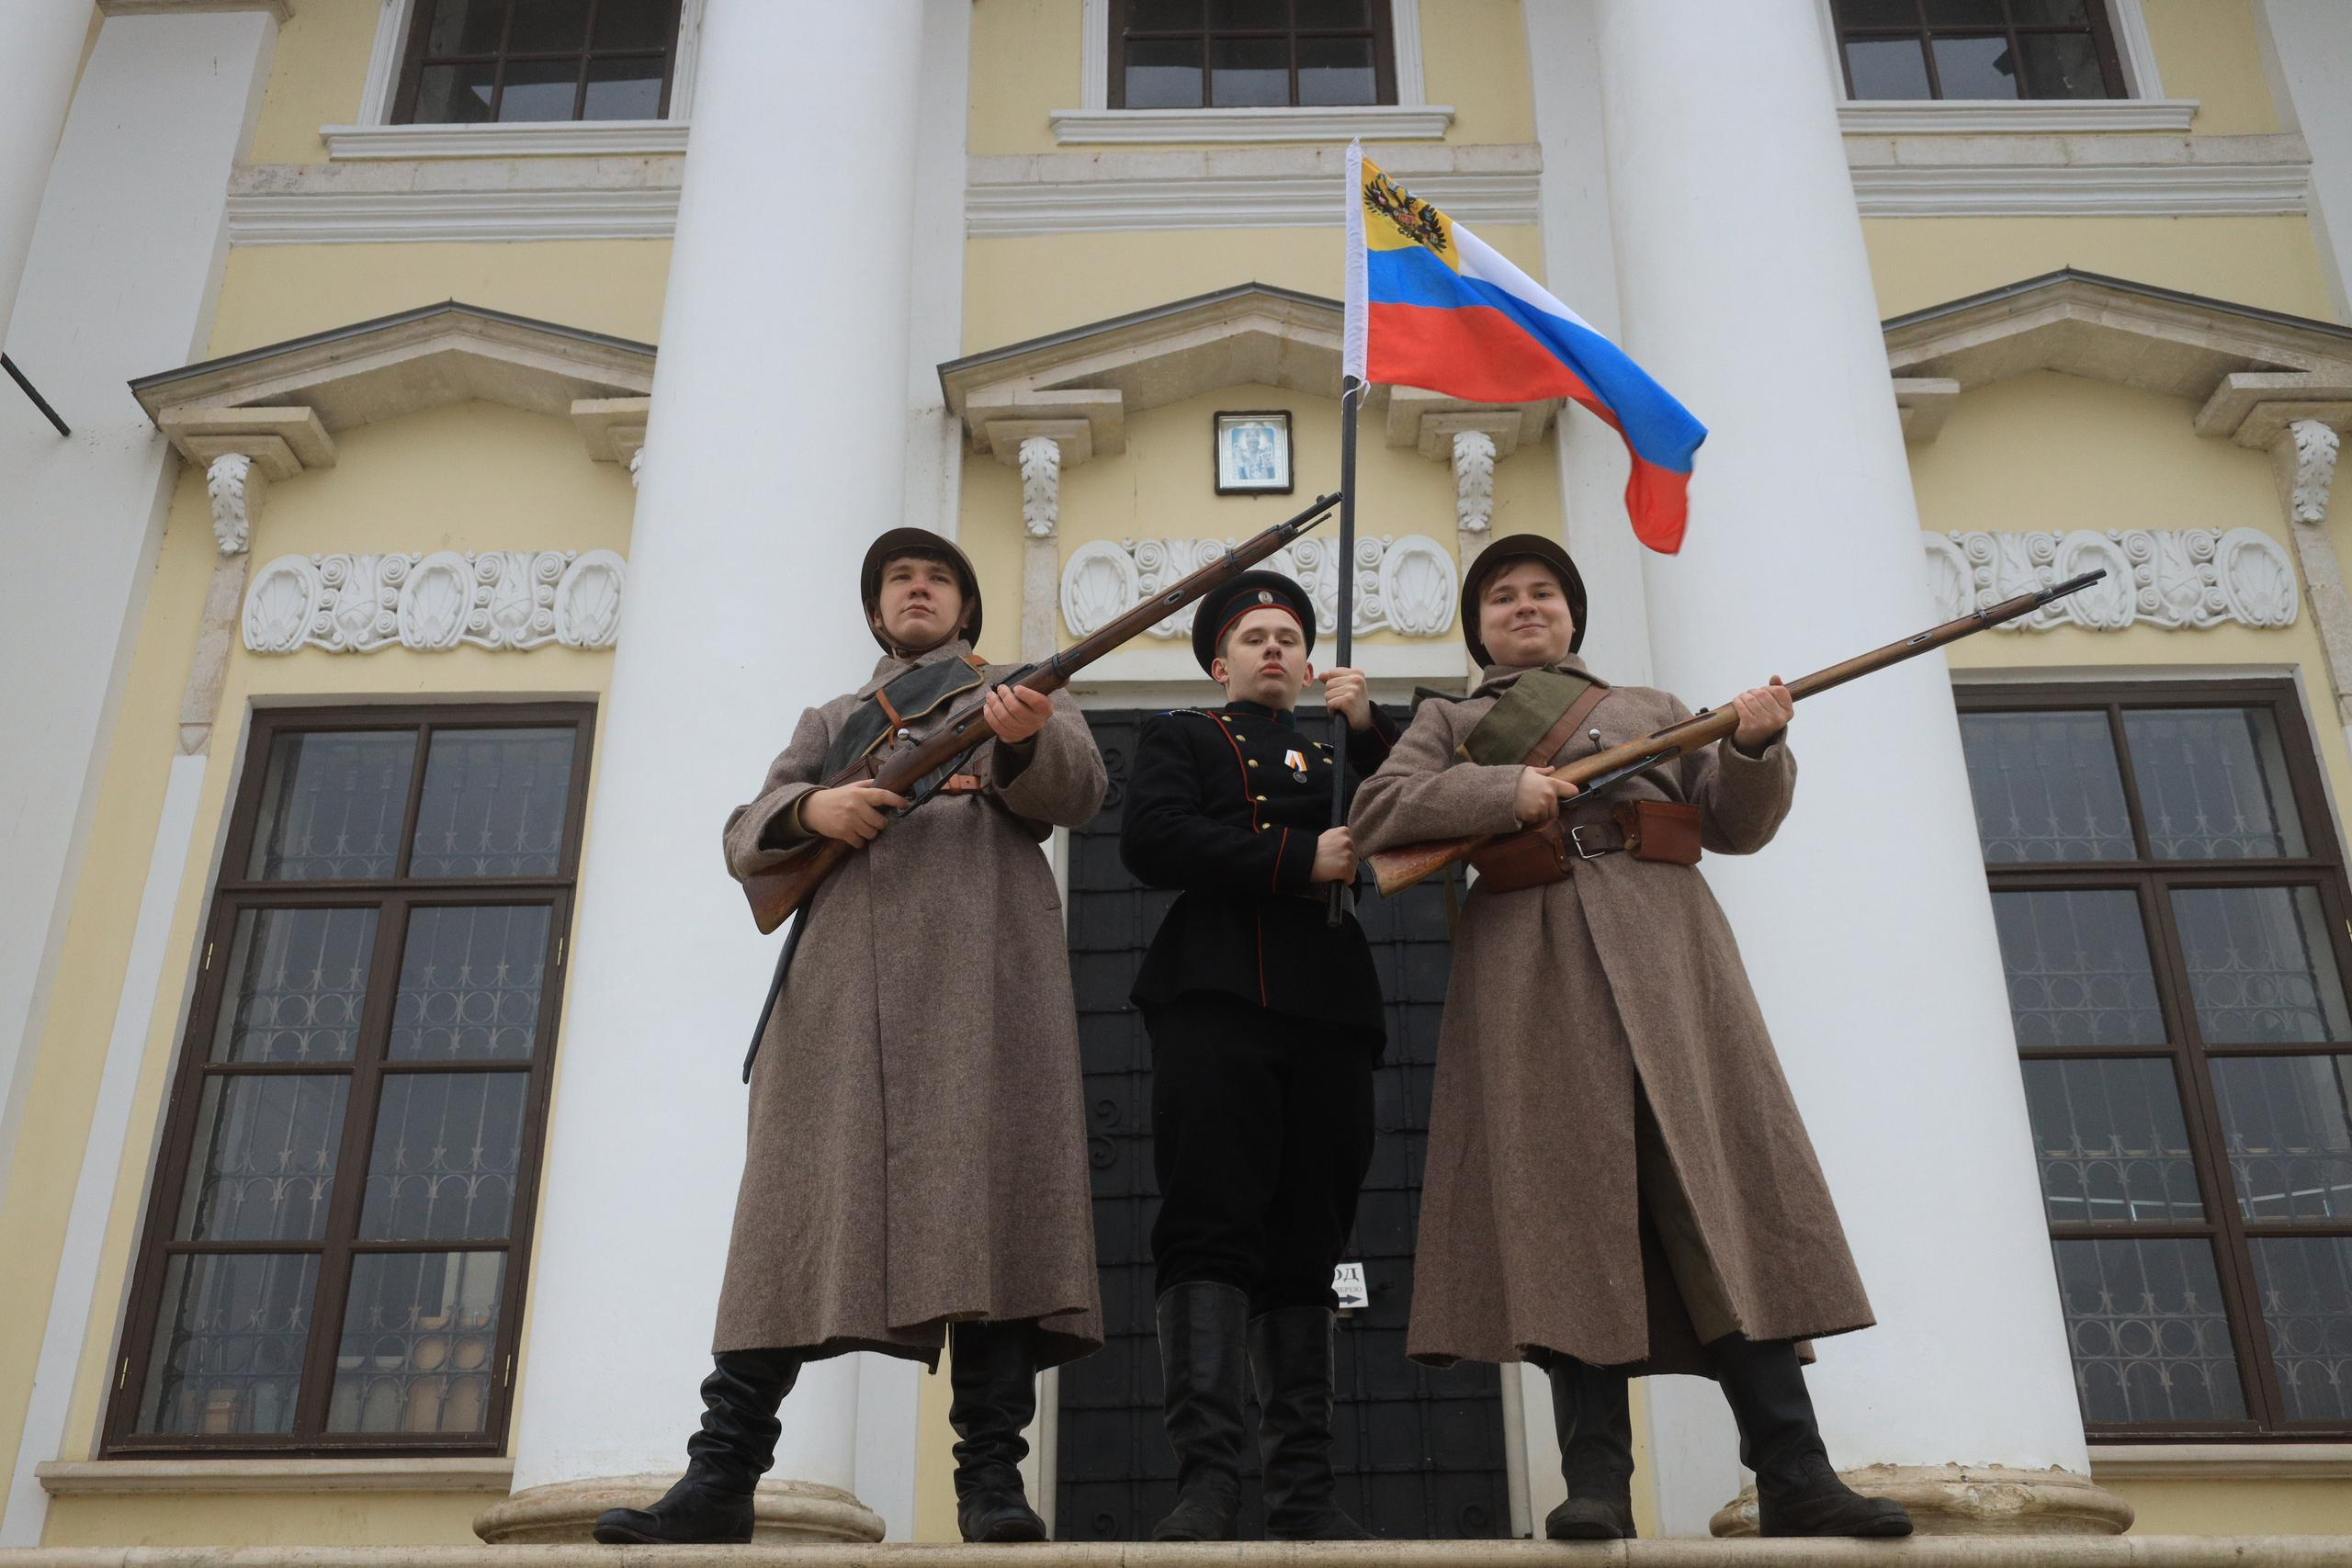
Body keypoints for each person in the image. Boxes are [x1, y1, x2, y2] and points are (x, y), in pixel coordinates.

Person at [1347, 535, 1913, 1541]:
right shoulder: (1450, 719)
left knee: (1720, 1202)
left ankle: (1794, 1470)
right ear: (1478, 624)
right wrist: (1500, 793)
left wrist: (1750, 745)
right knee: (1570, 1216)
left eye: (1545, 593)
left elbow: (1735, 825)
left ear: (1572, 616)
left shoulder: (1654, 710)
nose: (1526, 607)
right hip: (1533, 968)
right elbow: (1382, 809)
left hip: (1669, 962)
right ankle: (1597, 1483)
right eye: (1505, 596)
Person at [594, 528, 1106, 1547]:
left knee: (993, 1222)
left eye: (938, 579)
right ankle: (721, 1477)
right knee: (787, 1222)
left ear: (966, 608)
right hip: (841, 998)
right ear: (878, 612)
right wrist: (813, 807)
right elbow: (747, 833)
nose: (918, 591)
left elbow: (1079, 792)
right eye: (899, 582)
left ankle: (991, 1486)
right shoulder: (833, 719)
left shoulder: (1020, 691)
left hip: (983, 989)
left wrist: (1019, 736)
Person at [1117, 571, 1399, 1542]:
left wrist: (1366, 733)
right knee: (1208, 1224)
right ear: (1217, 661)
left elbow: (1429, 811)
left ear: (1312, 662)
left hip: (1328, 1004)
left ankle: (1305, 1497)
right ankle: (1209, 1484)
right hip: (1217, 994)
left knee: (1309, 1240)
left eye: (1289, 637)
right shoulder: (1183, 736)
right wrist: (1293, 860)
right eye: (1254, 637)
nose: (1274, 649)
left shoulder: (1341, 748)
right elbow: (1152, 839)